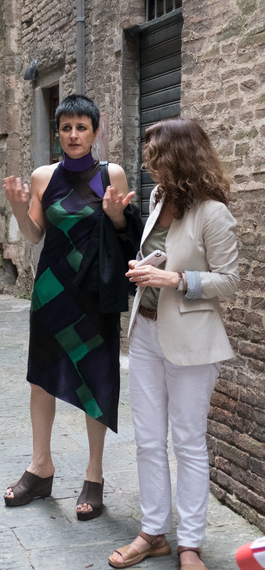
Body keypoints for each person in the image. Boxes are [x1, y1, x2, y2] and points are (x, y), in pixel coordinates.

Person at [109, 118, 239, 570]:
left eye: (154, 153)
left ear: (179, 155)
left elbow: (230, 280)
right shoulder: (158, 196)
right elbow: (162, 253)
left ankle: (190, 545)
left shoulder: (213, 212)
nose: (147, 160)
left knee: (187, 442)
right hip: (145, 332)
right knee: (147, 440)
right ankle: (152, 533)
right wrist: (146, 266)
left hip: (191, 341)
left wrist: (174, 278)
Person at [3, 94, 139, 520]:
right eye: (66, 128)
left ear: (95, 132)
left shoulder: (110, 173)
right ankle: (40, 467)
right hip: (51, 291)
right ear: (58, 133)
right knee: (41, 379)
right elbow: (33, 236)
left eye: (82, 127)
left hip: (94, 292)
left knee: (97, 376)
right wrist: (18, 209)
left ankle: (94, 476)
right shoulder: (42, 177)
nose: (74, 135)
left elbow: (123, 231)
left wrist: (117, 216)